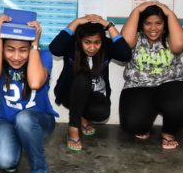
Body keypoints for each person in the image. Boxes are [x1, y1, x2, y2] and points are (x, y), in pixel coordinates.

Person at [0, 14, 58, 173]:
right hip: (6, 120)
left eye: (22, 50)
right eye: (10, 49)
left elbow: (34, 83)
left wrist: (35, 44)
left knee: (24, 118)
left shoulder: (44, 56)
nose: (16, 57)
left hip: (38, 121)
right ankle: (18, 140)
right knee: (5, 162)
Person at [119, 1, 183, 150]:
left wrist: (168, 13)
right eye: (148, 23)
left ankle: (168, 132)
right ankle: (145, 118)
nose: (153, 28)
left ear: (165, 24)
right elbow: (125, 42)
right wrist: (137, 10)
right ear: (141, 24)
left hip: (170, 84)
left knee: (182, 107)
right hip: (138, 86)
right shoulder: (136, 38)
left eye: (158, 23)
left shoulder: (170, 38)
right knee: (133, 125)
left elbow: (180, 45)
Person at [48, 14, 131, 151]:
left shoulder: (107, 47)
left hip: (93, 95)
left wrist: (109, 26)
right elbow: (55, 48)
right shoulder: (71, 45)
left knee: (101, 113)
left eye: (97, 42)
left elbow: (125, 55)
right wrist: (75, 22)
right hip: (70, 93)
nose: (92, 48)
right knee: (82, 78)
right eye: (87, 42)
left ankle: (82, 117)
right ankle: (74, 127)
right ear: (80, 40)